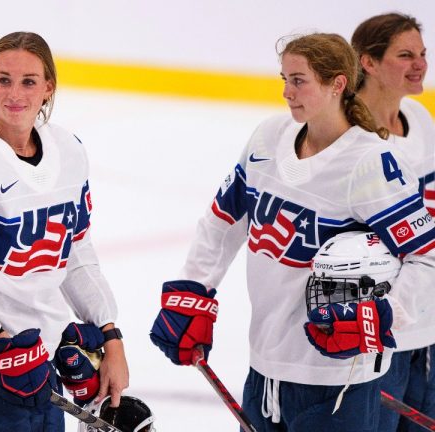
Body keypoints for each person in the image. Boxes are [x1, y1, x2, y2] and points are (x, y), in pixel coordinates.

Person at [149, 33, 435, 431]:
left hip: (339, 382)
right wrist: (196, 288)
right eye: (283, 79)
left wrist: (383, 315)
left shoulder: (370, 163)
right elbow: (223, 220)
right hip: (264, 368)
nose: (286, 92)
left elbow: (426, 256)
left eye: (299, 80)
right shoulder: (268, 137)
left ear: (337, 84)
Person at [0, 31, 129, 431]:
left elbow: (77, 250)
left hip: (42, 367)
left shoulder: (69, 151)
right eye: (3, 79)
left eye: (29, 81)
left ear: (48, 87)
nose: (15, 93)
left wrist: (110, 335)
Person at [352, 13, 435, 430]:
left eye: (422, 53)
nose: (420, 64)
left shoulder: (420, 119)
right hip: (377, 338)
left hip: (430, 332)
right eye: (405, 55)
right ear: (368, 62)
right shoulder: (347, 136)